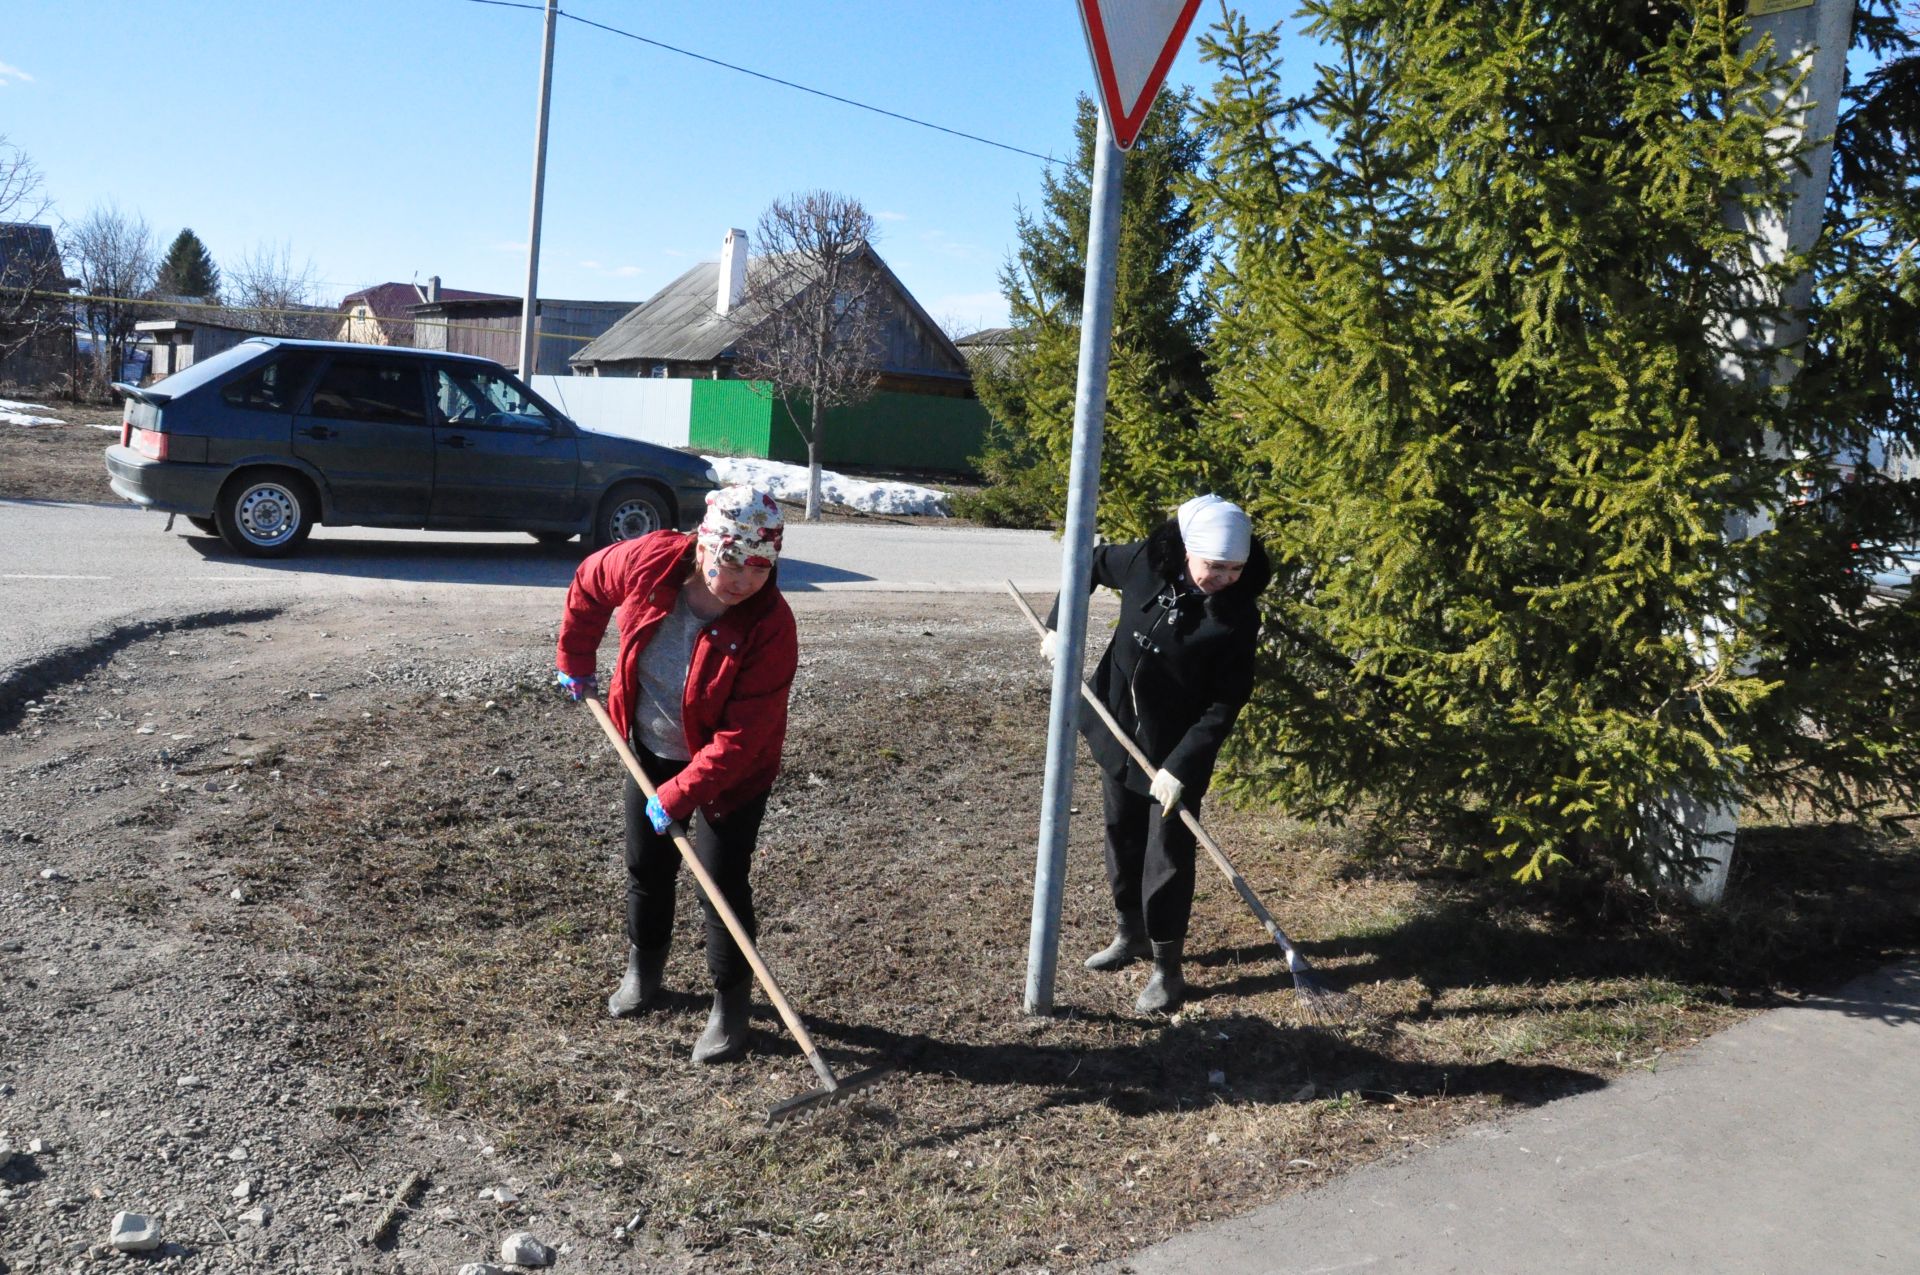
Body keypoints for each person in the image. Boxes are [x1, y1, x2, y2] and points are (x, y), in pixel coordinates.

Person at [554, 486, 797, 1064]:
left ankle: (729, 1009)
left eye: (759, 569)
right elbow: (590, 582)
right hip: (647, 749)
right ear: (704, 548)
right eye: (729, 564)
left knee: (720, 885)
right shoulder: (651, 561)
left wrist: (682, 792)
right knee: (647, 865)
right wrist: (575, 658)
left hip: (730, 772)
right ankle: (645, 971)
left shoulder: (771, 624)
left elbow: (745, 734)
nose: (741, 581)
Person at [1044, 494, 1271, 1014]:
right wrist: (1062, 625)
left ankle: (1167, 969)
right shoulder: (1148, 561)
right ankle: (1131, 935)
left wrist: (1181, 765)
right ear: (1188, 550)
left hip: (1175, 753)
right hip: (1117, 728)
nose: (1225, 577)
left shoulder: (1236, 618)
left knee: (1167, 856)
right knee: (1120, 835)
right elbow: (1090, 562)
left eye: (1236, 568)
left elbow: (1225, 701)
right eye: (1215, 566)